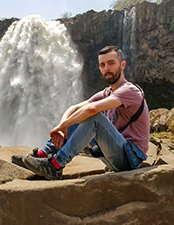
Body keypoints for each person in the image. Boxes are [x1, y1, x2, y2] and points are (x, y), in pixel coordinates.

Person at [12, 45, 150, 180]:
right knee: (79, 115)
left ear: (122, 65)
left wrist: (60, 127)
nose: (106, 68)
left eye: (111, 63)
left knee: (93, 117)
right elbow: (74, 108)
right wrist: (63, 127)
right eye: (102, 65)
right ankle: (43, 154)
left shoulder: (130, 91)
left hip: (130, 157)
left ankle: (55, 166)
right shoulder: (107, 92)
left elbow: (92, 110)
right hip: (113, 154)